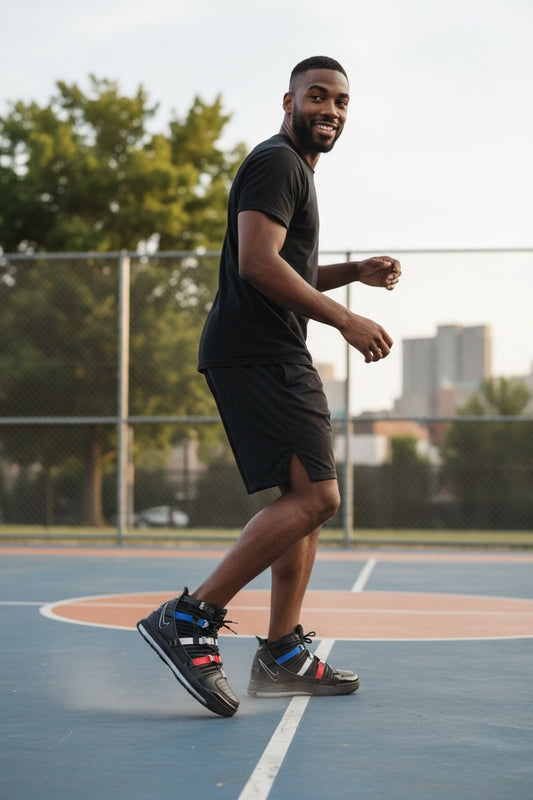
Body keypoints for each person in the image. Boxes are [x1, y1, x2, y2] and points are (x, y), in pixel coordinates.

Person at [137, 55, 401, 717]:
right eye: (317, 97)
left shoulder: (292, 172)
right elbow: (257, 264)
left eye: (340, 102)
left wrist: (349, 273)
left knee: (304, 496)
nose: (330, 111)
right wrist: (343, 318)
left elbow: (286, 263)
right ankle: (189, 616)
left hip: (257, 350)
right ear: (287, 101)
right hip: (261, 352)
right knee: (318, 497)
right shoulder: (278, 162)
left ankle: (281, 653)